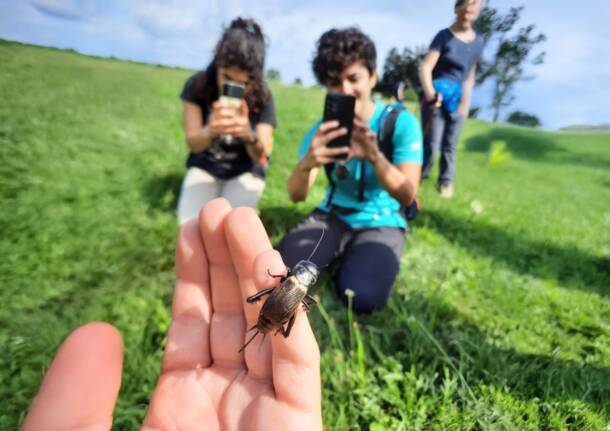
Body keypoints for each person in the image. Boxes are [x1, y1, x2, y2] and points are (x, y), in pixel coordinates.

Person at [22, 199, 323, 431]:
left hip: (273, 309)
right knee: (281, 314)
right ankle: (276, 326)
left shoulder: (288, 279)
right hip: (278, 314)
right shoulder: (300, 291)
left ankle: (273, 325)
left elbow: (275, 281)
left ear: (296, 272)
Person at [278, 28, 423, 314]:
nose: (345, 90)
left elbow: (408, 195)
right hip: (332, 215)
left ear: (372, 76)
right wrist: (309, 161)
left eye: (353, 78)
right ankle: (337, 251)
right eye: (334, 82)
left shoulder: (400, 124)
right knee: (281, 271)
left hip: (381, 219)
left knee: (362, 297)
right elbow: (296, 195)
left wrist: (374, 156)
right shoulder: (323, 130)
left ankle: (352, 258)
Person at [177, 18, 277, 224]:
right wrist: (211, 130)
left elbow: (261, 154)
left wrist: (249, 136)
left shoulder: (263, 95)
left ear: (255, 78)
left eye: (243, 83)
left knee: (235, 226)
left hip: (246, 169)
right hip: (205, 164)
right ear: (217, 64)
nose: (233, 87)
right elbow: (193, 144)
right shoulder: (198, 85)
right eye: (227, 77)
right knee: (191, 226)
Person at [419, 0, 484, 199]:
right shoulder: (443, 37)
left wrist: (465, 104)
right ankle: (420, 175)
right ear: (457, 9)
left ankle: (445, 182)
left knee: (450, 145)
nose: (469, 10)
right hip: (436, 95)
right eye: (466, 6)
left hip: (458, 98)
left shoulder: (478, 42)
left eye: (474, 6)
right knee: (432, 142)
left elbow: (470, 76)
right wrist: (430, 94)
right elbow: (426, 67)